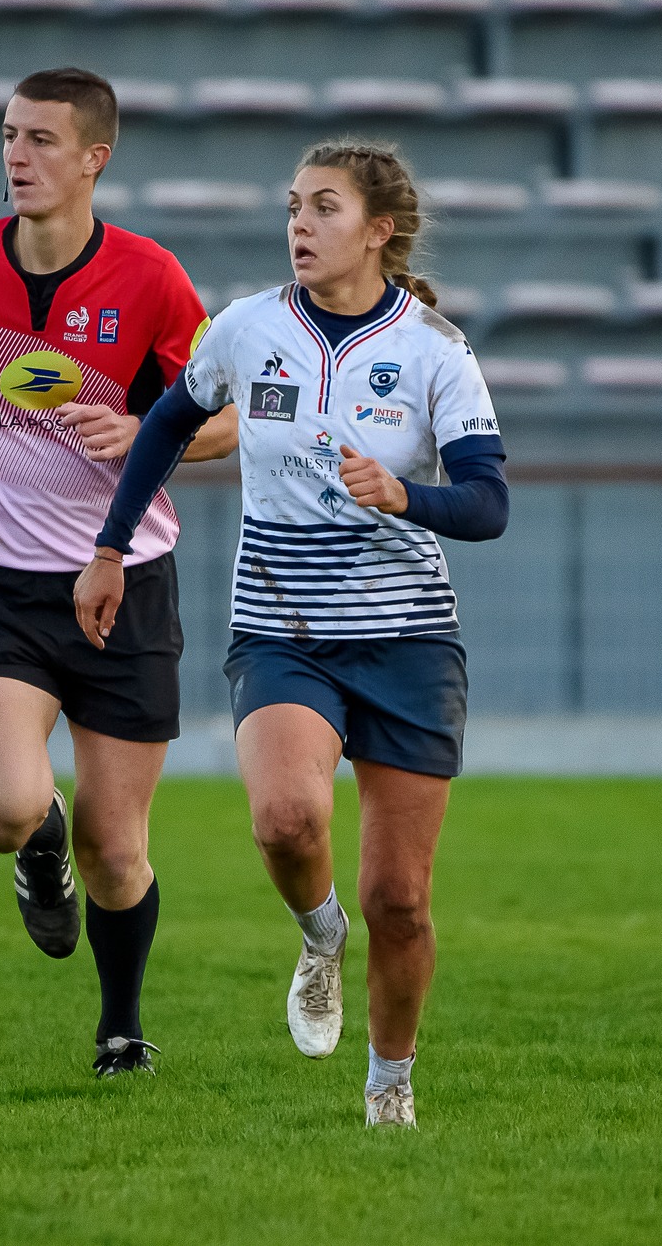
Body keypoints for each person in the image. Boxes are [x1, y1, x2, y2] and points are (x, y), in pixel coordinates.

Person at [75, 140, 509, 1127]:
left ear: (377, 229)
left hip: (408, 642)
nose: (299, 226)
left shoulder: (436, 349)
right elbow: (163, 426)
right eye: (292, 207)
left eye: (323, 208)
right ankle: (320, 935)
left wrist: (405, 495)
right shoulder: (245, 329)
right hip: (283, 628)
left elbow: (488, 504)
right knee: (283, 820)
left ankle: (388, 1080)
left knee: (400, 898)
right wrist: (109, 548)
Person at [0, 67, 239, 1077]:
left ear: (94, 158)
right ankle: (33, 849)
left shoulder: (149, 278)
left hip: (126, 584)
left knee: (117, 846)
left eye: (42, 140)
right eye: (10, 135)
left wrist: (147, 431)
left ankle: (121, 1026)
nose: (17, 155)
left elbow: (227, 416)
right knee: (0, 809)